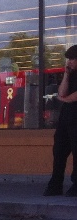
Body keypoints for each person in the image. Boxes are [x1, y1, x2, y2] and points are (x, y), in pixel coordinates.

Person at [44, 45, 77, 197]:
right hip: (67, 117)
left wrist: (63, 99)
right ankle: (55, 184)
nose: (69, 62)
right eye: (68, 59)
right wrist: (66, 75)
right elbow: (62, 92)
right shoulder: (71, 74)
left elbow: (72, 96)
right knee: (59, 150)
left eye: (71, 59)